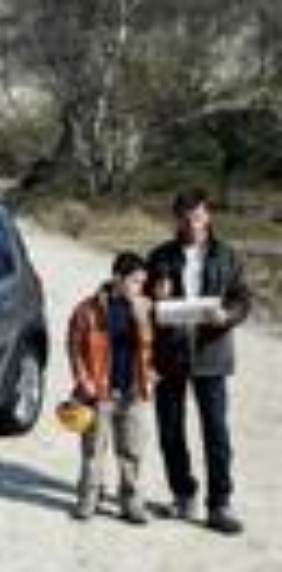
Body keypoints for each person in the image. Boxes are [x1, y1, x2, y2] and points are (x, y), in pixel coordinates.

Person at [147, 189, 251, 535]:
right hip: (169, 354)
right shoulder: (160, 256)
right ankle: (183, 495)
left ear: (208, 216)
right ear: (176, 219)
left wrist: (228, 315)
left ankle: (219, 504)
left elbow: (242, 299)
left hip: (211, 354)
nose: (192, 224)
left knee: (216, 431)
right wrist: (154, 294)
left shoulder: (227, 256)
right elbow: (141, 297)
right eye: (185, 217)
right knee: (170, 429)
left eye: (198, 216)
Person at [67, 252, 158, 524]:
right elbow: (74, 346)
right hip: (100, 392)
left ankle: (131, 503)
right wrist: (83, 379)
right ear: (117, 278)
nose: (140, 287)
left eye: (143, 282)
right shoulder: (87, 309)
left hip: (134, 391)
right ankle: (88, 499)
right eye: (135, 281)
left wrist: (152, 373)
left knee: (132, 451)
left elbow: (156, 346)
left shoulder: (146, 308)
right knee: (93, 450)